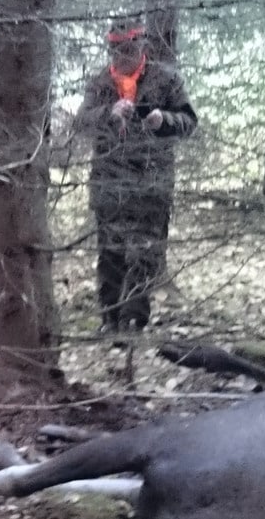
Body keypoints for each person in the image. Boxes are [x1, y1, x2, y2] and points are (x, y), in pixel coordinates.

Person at [72, 24, 197, 333]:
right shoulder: (100, 83)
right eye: (116, 50)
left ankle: (134, 321)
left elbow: (189, 121)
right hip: (109, 183)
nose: (122, 56)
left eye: (128, 49)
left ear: (142, 46)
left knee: (144, 256)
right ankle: (110, 318)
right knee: (111, 255)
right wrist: (109, 114)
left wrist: (162, 120)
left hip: (151, 185)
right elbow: (81, 123)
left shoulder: (166, 79)